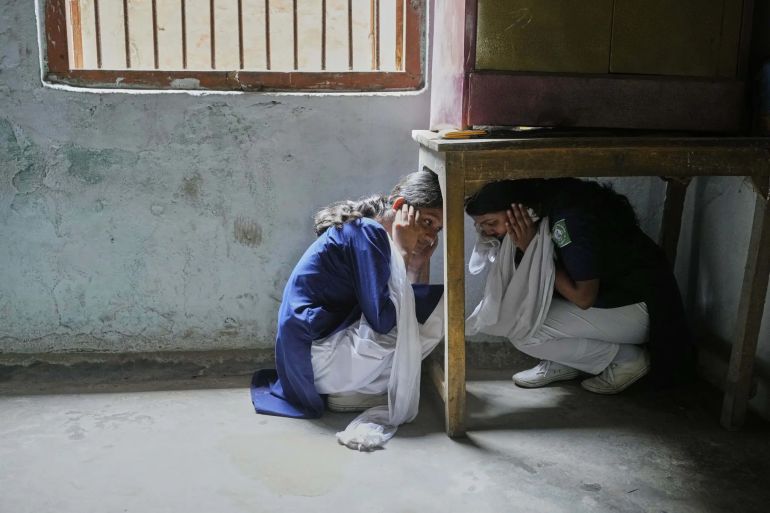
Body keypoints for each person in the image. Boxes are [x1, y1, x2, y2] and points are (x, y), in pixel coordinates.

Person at [464, 178, 695, 394]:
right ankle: (567, 361)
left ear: (517, 209)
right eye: (480, 226)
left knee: (521, 328)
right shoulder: (543, 205)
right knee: (520, 309)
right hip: (618, 301)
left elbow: (583, 297)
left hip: (645, 309)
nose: (487, 232)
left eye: (491, 223)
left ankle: (627, 359)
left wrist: (532, 246)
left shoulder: (569, 220)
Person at [251, 170, 445, 419]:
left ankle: (355, 387)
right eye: (427, 222)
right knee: (444, 306)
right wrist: (404, 253)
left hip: (309, 355)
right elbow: (385, 322)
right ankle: (354, 390)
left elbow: (401, 307)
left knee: (419, 308)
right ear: (400, 207)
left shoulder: (371, 231)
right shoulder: (369, 233)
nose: (431, 237)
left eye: (438, 229)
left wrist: (415, 267)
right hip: (313, 360)